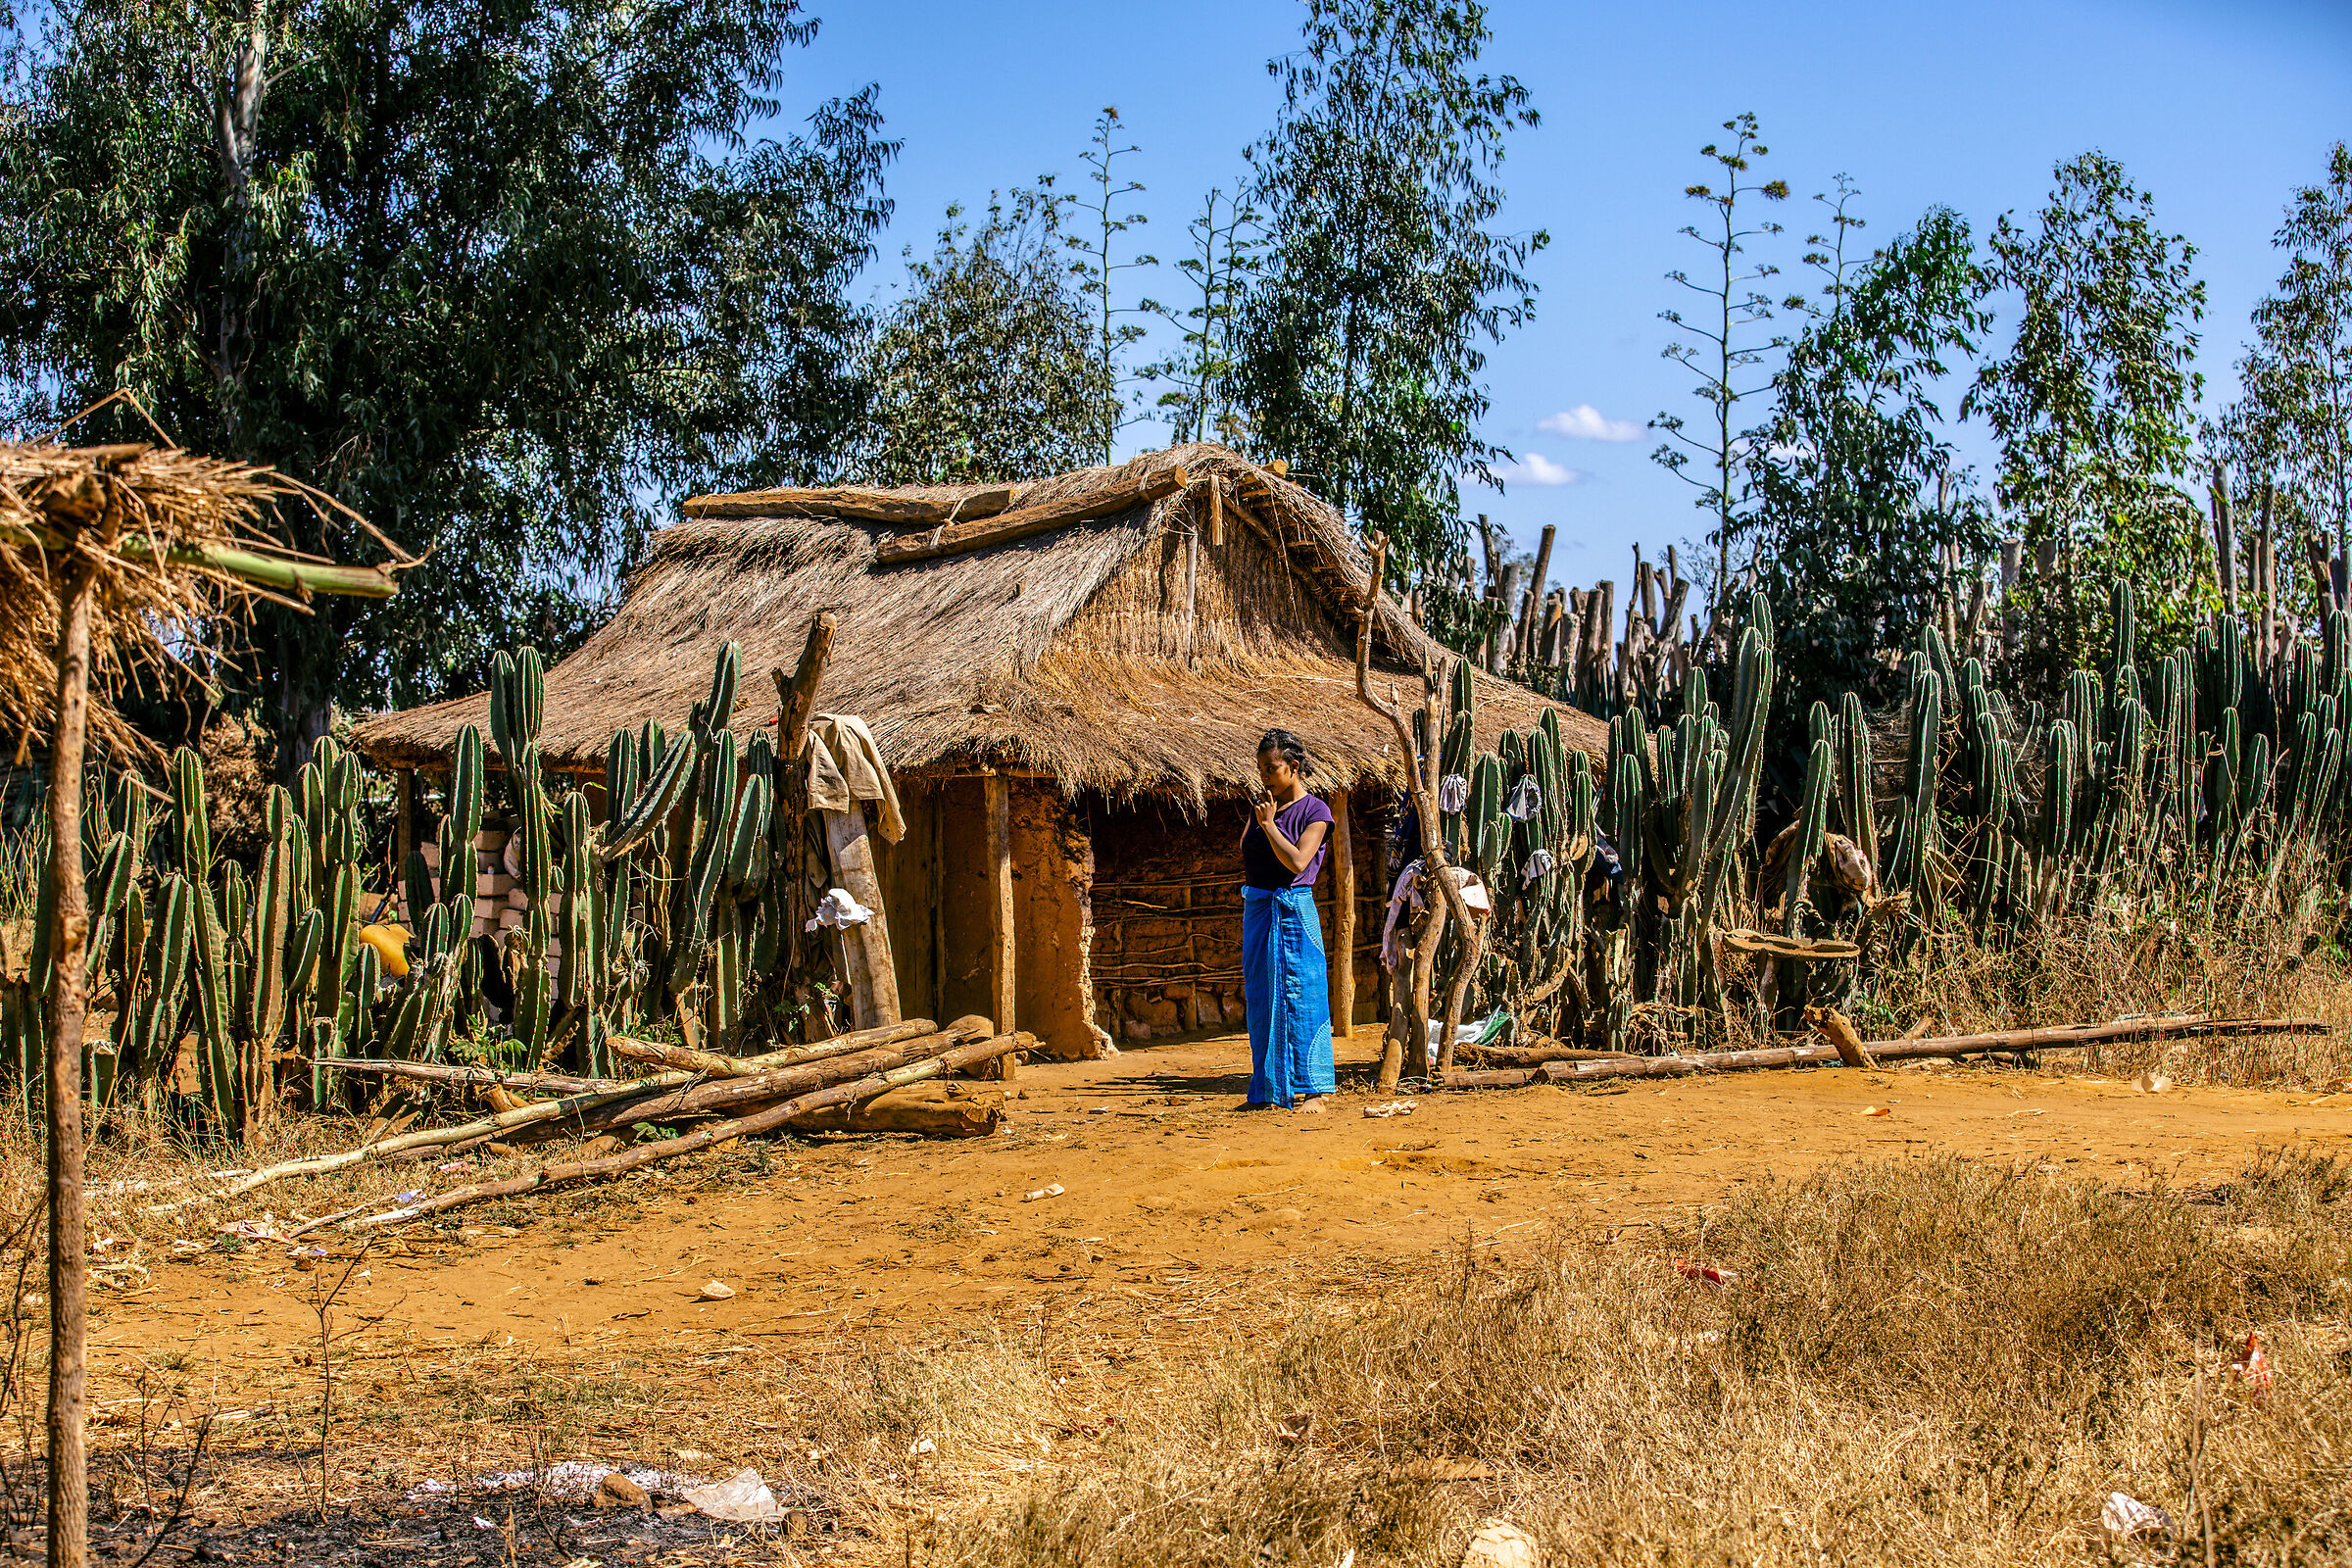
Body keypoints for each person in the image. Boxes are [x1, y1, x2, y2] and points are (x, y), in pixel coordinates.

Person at [1240, 728, 1336, 1110]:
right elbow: (1248, 852)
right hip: (1260, 910)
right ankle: (1269, 1089)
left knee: (1304, 996)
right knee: (1262, 997)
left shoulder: (1316, 812)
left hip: (1293, 909)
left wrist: (1269, 825)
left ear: (1293, 767)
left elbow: (1298, 861)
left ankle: (1316, 1090)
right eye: (1261, 768)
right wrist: (1262, 820)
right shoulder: (1262, 808)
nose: (1264, 776)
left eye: (1271, 768)